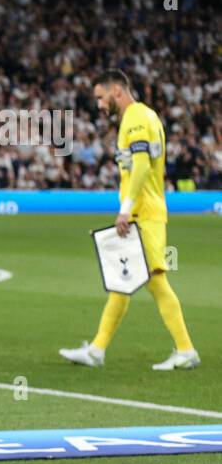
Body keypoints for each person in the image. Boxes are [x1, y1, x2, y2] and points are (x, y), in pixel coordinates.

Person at [59, 69, 199, 370]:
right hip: (145, 211)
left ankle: (186, 350)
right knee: (123, 283)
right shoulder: (145, 117)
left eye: (101, 97)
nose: (98, 104)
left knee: (156, 281)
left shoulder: (135, 118)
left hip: (144, 214)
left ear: (117, 92)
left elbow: (141, 166)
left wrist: (126, 208)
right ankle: (97, 350)